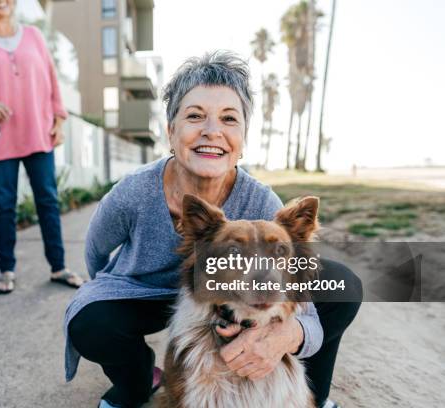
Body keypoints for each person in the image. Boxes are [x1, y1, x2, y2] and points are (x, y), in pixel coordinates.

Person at [64, 51, 362, 408]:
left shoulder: (261, 202)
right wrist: (109, 292)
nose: (212, 131)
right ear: (171, 131)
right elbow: (96, 251)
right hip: (144, 296)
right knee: (90, 319)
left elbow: (306, 312)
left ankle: (314, 396)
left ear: (242, 140)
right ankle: (137, 381)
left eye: (229, 119)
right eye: (194, 116)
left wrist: (286, 335)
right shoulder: (133, 192)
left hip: (222, 294)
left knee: (342, 284)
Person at [0, 0, 84, 293]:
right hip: (0, 137)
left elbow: (52, 81)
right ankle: (6, 270)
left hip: (39, 132)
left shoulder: (33, 36)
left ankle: (58, 266)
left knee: (48, 200)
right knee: (3, 204)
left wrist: (59, 122)